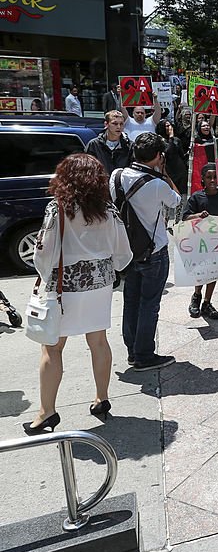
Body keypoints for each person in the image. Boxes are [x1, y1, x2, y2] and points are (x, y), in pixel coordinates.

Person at [23, 154, 133, 434]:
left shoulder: (58, 208)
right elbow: (123, 253)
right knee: (98, 341)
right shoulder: (108, 209)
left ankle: (46, 411)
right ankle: (101, 397)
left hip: (65, 287)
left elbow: (43, 252)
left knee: (52, 347)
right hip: (100, 285)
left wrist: (45, 277)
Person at [112, 132, 180, 371]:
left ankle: (132, 351)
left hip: (126, 251)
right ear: (159, 156)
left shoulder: (117, 176)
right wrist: (163, 171)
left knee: (130, 301)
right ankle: (144, 355)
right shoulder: (158, 184)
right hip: (154, 252)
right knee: (149, 305)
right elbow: (176, 200)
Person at [183, 164, 218, 320]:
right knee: (201, 271)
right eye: (209, 177)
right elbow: (185, 217)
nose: (212, 180)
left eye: (215, 177)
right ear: (203, 179)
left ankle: (207, 303)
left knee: (214, 273)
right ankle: (196, 297)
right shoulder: (196, 197)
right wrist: (198, 215)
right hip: (200, 242)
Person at [85, 110, 133, 175]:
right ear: (106, 124)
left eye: (121, 124)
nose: (119, 127)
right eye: (115, 124)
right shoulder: (94, 145)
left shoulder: (130, 146)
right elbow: (88, 169)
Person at [157, 119, 189, 194]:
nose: (170, 128)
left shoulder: (176, 140)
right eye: (167, 126)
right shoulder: (160, 141)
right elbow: (169, 153)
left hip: (180, 172)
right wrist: (171, 137)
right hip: (169, 172)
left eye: (170, 125)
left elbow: (182, 156)